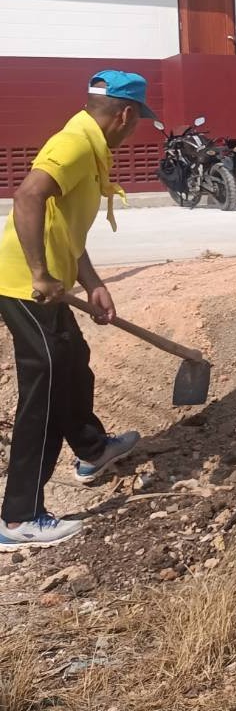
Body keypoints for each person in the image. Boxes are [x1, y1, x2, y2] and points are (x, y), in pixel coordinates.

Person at [0, 71, 155, 551]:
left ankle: (92, 450)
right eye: (137, 121)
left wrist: (93, 283)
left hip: (46, 283)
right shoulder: (72, 145)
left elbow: (64, 226)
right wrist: (40, 273)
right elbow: (27, 196)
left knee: (73, 362)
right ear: (125, 115)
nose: (134, 130)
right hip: (25, 287)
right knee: (45, 390)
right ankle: (19, 518)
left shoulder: (89, 146)